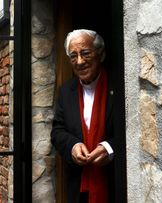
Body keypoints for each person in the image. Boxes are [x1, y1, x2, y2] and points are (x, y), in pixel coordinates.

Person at [51, 29, 116, 203]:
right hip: (78, 186)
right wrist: (73, 146)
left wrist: (110, 148)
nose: (79, 61)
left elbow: (132, 129)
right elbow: (57, 131)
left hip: (113, 184)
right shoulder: (66, 91)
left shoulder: (118, 85)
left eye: (85, 53)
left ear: (100, 55)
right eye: (73, 56)